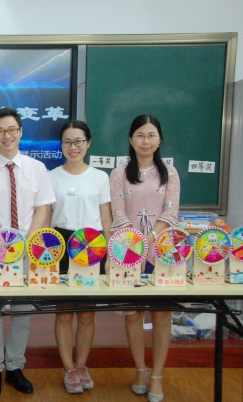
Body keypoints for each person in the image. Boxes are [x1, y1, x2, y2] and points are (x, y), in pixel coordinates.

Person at [0, 107, 56, 397]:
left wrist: (26, 245)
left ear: (20, 132)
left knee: (22, 312)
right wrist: (5, 244)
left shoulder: (37, 168)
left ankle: (15, 367)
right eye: (0, 131)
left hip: (29, 250)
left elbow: (43, 209)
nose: (6, 135)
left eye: (11, 129)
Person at [110, 114, 180, 402]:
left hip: (162, 251)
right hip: (127, 251)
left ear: (160, 140)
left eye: (151, 135)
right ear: (130, 139)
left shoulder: (170, 173)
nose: (145, 141)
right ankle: (140, 369)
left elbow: (170, 213)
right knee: (134, 313)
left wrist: (147, 241)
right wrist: (133, 244)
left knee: (162, 314)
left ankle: (157, 376)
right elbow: (118, 213)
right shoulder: (119, 173)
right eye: (140, 135)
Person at [49, 120, 112, 394]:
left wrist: (109, 254)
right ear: (61, 145)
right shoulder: (51, 177)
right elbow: (46, 217)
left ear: (88, 143)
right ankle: (69, 369)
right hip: (61, 244)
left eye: (78, 141)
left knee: (86, 314)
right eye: (67, 142)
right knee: (64, 314)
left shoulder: (100, 177)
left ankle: (81, 364)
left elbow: (106, 218)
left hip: (91, 244)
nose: (72, 147)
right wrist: (47, 257)